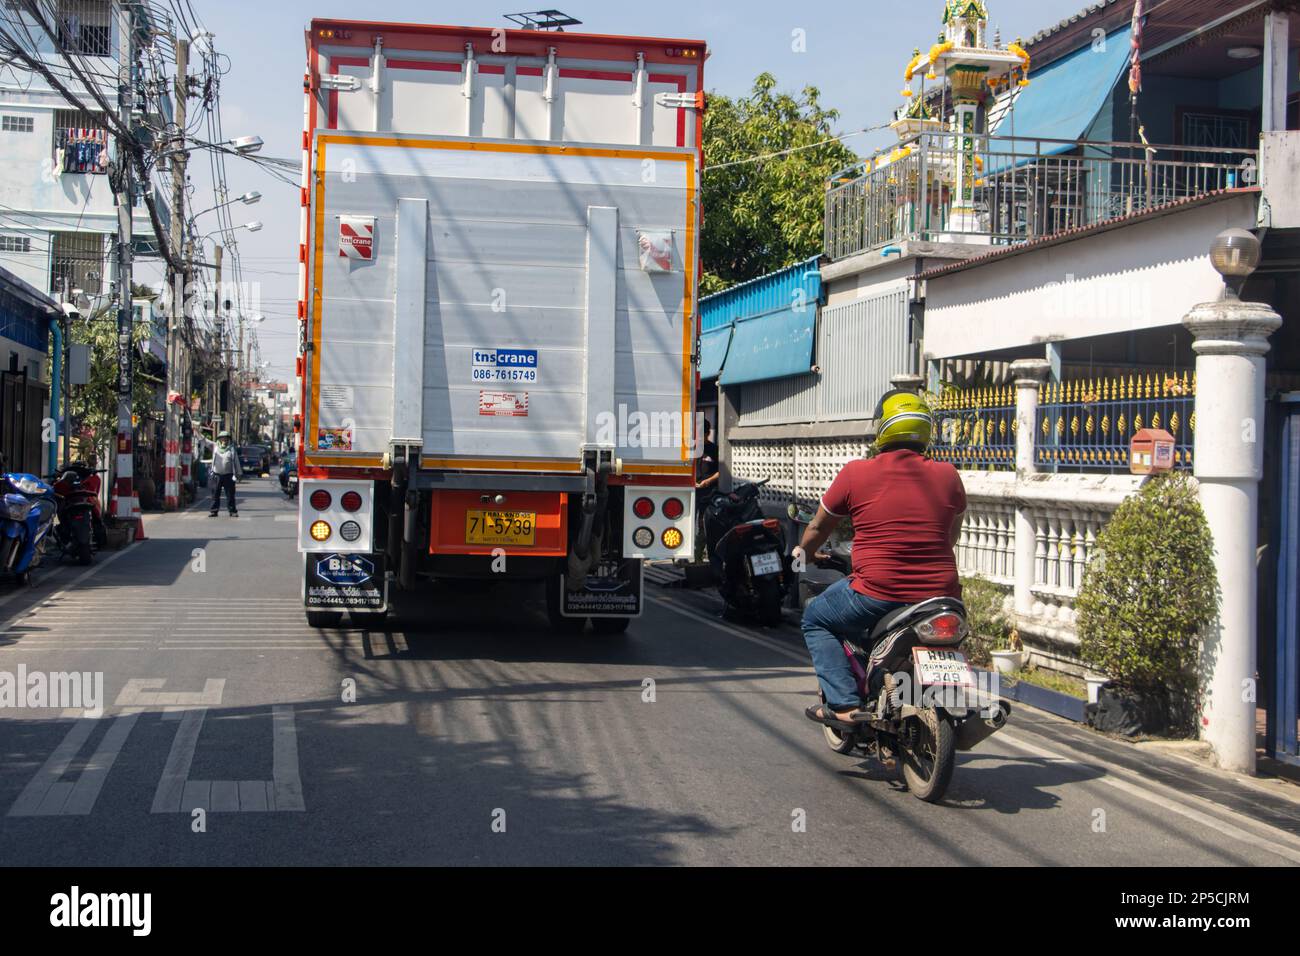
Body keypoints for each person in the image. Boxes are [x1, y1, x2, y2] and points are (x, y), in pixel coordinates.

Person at [792, 390, 966, 727]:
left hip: (877, 591)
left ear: (882, 428)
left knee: (816, 617)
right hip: (941, 595)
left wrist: (807, 552)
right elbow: (951, 537)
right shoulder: (948, 475)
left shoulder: (857, 473)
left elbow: (818, 526)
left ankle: (843, 705)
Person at [207, 430, 242, 517]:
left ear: (228, 440)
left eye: (226, 439)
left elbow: (236, 462)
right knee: (215, 494)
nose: (224, 440)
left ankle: (232, 511)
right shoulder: (215, 447)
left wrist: (239, 473)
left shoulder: (232, 449)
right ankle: (214, 511)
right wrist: (196, 431)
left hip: (229, 475)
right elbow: (204, 441)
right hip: (216, 475)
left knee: (230, 495)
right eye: (222, 438)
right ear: (219, 439)